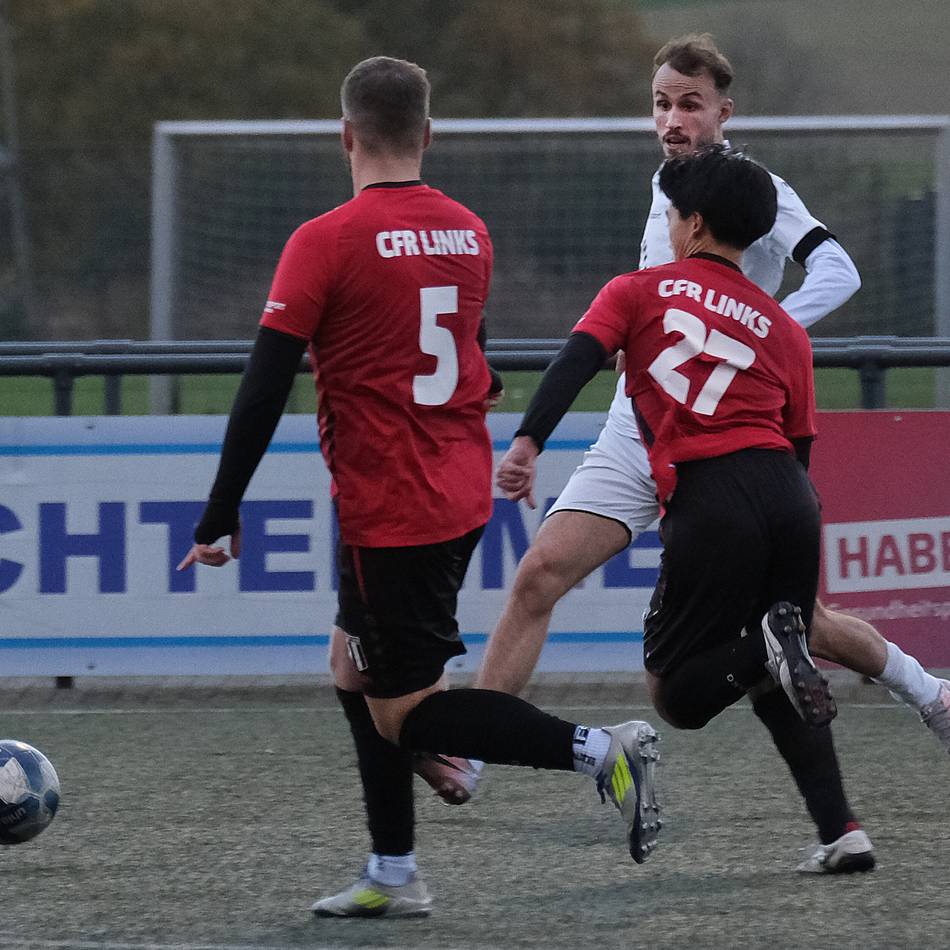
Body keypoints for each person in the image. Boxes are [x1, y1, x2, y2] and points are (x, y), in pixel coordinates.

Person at [177, 56, 663, 919]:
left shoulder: (323, 240)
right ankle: (393, 871)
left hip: (388, 509)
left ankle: (604, 751)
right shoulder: (468, 230)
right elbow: (466, 348)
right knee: (352, 666)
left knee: (406, 715)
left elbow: (262, 386)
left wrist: (221, 510)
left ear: (346, 137)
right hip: (453, 491)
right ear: (428, 135)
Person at [478, 34, 949, 757]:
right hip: (634, 433)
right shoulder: (670, 186)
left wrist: (763, 333)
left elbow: (838, 269)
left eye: (690, 106)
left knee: (800, 621)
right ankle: (475, 746)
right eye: (662, 105)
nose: (673, 120)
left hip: (718, 438)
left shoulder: (753, 186)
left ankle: (931, 695)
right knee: (539, 574)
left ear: (724, 112)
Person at [498, 143, 876, 876]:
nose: (667, 226)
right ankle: (843, 830)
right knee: (773, 660)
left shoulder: (639, 290)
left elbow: (574, 362)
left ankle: (770, 646)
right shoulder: (780, 324)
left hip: (712, 498)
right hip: (792, 502)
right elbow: (797, 446)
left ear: (695, 225)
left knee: (677, 693)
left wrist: (526, 442)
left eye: (672, 214)